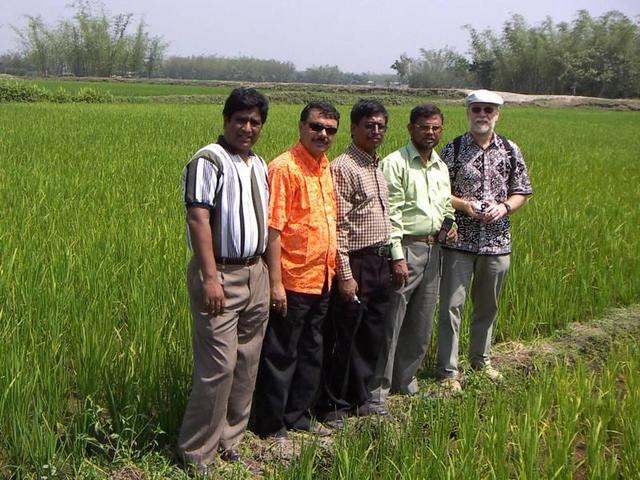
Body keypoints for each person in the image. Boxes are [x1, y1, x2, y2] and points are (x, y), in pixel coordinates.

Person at [178, 87, 270, 471]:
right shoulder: (208, 160)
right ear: (226, 120)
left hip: (255, 272)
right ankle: (197, 452)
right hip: (221, 274)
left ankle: (230, 439)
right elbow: (198, 217)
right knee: (217, 367)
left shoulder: (259, 164)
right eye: (240, 120)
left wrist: (267, 275)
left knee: (247, 362)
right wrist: (210, 277)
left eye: (254, 122)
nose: (247, 128)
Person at [251, 101, 340, 439]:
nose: (323, 134)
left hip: (322, 279)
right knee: (281, 353)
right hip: (292, 280)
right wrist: (276, 284)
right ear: (301, 126)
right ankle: (271, 424)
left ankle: (299, 416)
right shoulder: (285, 168)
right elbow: (273, 230)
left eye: (330, 130)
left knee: (311, 351)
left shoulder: (324, 167)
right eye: (317, 127)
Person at [436, 89, 533, 393]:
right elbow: (438, 191)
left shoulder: (510, 149)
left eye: (488, 110)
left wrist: (503, 207)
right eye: (477, 109)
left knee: (487, 306)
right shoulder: (452, 149)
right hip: (459, 242)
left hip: (497, 241)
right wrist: (465, 206)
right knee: (452, 306)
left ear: (497, 115)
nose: (482, 115)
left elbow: (522, 191)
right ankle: (448, 371)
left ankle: (481, 361)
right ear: (468, 113)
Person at [370, 104, 457, 409]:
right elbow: (389, 214)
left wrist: (451, 223)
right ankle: (377, 391)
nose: (430, 133)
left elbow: (445, 204)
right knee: (392, 321)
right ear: (410, 129)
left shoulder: (440, 166)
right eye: (424, 127)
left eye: (435, 128)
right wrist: (396, 256)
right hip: (406, 248)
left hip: (434, 249)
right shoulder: (395, 163)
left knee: (421, 321)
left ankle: (406, 381)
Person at [318, 99, 392, 424]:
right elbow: (340, 227)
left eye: (380, 126)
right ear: (353, 128)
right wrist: (345, 275)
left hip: (380, 261)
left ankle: (360, 396)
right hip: (356, 263)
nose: (375, 131)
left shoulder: (376, 165)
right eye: (369, 125)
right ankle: (333, 404)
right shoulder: (344, 167)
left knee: (371, 334)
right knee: (343, 336)